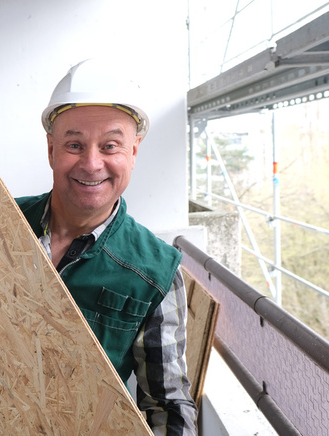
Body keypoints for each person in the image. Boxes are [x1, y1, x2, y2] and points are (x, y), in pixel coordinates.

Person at [15, 59, 198, 435]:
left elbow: (166, 406)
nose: (92, 163)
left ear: (133, 152)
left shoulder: (157, 273)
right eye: (74, 145)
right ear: (52, 150)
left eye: (110, 145)